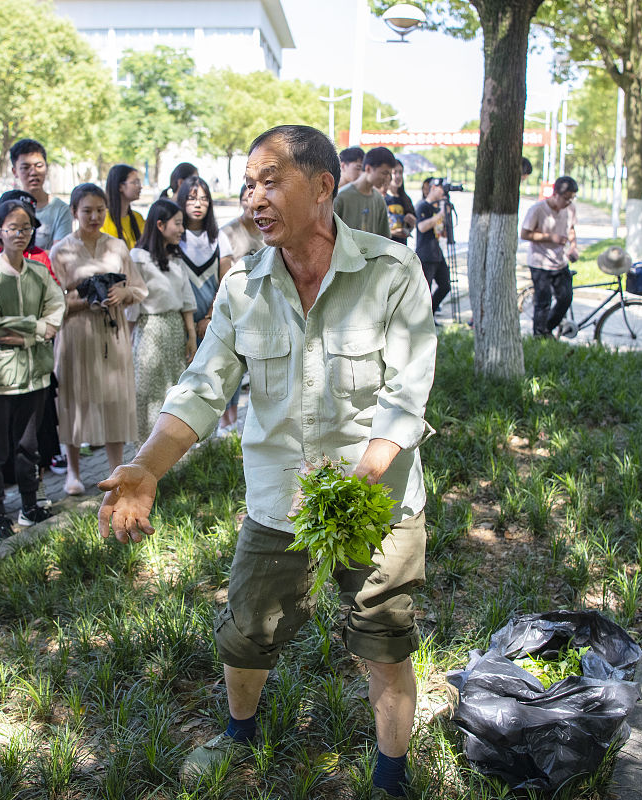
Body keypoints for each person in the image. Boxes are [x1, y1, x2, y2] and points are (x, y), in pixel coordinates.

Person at [97, 125, 436, 797]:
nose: (254, 197)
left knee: (383, 644)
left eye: (270, 180)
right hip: (278, 503)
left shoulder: (391, 271)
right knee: (245, 633)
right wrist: (149, 465)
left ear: (322, 188)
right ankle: (239, 734)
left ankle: (391, 775)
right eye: (248, 184)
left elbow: (407, 394)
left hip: (380, 506)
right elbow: (202, 386)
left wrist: (352, 484)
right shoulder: (241, 287)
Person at [0, 198, 65, 542]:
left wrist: (25, 333)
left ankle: (30, 505)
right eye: (12, 227)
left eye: (26, 227)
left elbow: (57, 308)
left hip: (36, 375)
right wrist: (37, 328)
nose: (20, 234)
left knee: (29, 447)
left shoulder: (40, 272)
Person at [51, 184, 146, 494]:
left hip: (112, 333)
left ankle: (115, 469)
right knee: (73, 400)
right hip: (76, 333)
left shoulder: (117, 247)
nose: (94, 216)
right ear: (74, 212)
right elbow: (53, 303)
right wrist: (86, 300)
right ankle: (73, 473)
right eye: (87, 210)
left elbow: (140, 289)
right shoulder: (60, 250)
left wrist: (124, 293)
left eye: (100, 210)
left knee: (115, 398)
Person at [129, 199, 197, 442]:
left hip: (175, 329)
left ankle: (176, 452)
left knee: (176, 393)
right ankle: (145, 452)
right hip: (150, 330)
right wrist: (128, 342)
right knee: (149, 393)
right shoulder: (138, 257)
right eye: (177, 223)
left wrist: (191, 336)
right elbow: (133, 302)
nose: (181, 229)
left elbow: (187, 300)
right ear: (159, 225)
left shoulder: (177, 259)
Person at [215, 183, 265, 436]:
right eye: (247, 198)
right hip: (238, 308)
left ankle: (241, 424)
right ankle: (227, 423)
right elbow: (225, 277)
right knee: (229, 364)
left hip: (265, 310)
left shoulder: (268, 229)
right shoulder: (228, 232)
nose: (252, 203)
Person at [0, 139, 72, 251]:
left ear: (46, 168)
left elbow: (59, 255)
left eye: (39, 166)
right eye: (25, 167)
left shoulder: (60, 210)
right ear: (15, 172)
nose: (33, 172)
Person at [520, 175, 579, 337]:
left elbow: (571, 229)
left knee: (566, 298)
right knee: (543, 303)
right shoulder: (538, 210)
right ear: (556, 194)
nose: (568, 202)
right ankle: (539, 336)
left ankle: (548, 328)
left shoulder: (571, 209)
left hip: (560, 262)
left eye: (572, 199)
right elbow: (524, 234)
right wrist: (550, 237)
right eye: (566, 198)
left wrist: (573, 247)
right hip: (540, 263)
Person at [177, 175, 222, 345]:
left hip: (211, 325)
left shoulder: (218, 238)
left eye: (204, 199)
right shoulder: (173, 237)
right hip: (179, 325)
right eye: (192, 198)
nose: (198, 204)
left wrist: (209, 316)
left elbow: (224, 282)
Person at [333, 146, 396, 237]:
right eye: (384, 173)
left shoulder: (379, 200)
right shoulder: (341, 197)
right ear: (368, 168)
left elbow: (384, 238)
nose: (387, 178)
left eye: (389, 174)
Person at [415, 178, 452, 316]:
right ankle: (422, 319)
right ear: (433, 188)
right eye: (441, 188)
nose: (443, 192)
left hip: (437, 252)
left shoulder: (439, 208)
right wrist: (440, 215)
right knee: (426, 290)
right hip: (425, 253)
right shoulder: (422, 206)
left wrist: (445, 215)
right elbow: (422, 227)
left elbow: (444, 234)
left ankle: (431, 314)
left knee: (445, 285)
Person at [101, 164, 145, 250]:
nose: (140, 186)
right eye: (135, 182)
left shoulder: (138, 218)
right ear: (120, 186)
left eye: (139, 182)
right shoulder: (103, 219)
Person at [386, 161, 417, 246]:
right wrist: (393, 232)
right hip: (386, 248)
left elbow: (413, 225)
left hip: (402, 247)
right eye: (394, 172)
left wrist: (411, 221)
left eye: (401, 172)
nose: (398, 176)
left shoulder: (406, 199)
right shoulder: (381, 197)